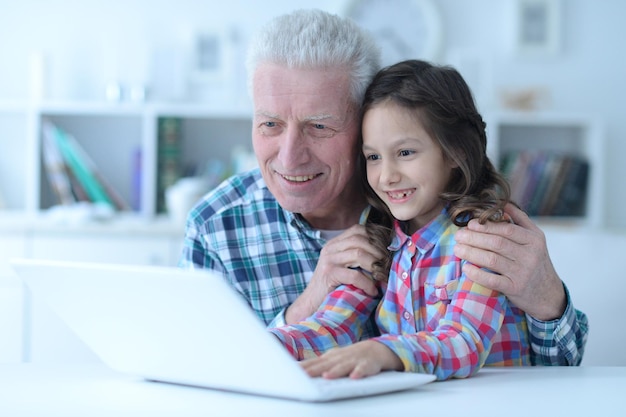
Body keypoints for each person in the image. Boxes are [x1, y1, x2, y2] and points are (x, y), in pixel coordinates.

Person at [178, 8, 587, 366]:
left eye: (319, 126)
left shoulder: (469, 232)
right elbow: (323, 329)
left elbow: (536, 362)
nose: (289, 157)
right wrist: (276, 330)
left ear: (363, 122)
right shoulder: (217, 227)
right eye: (270, 124)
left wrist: (547, 301)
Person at [269, 59, 530, 380]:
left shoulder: (486, 235)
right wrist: (264, 345)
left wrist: (384, 351)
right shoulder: (378, 237)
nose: (388, 176)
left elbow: (465, 341)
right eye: (374, 157)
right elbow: (331, 327)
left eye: (405, 152)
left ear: (453, 153)